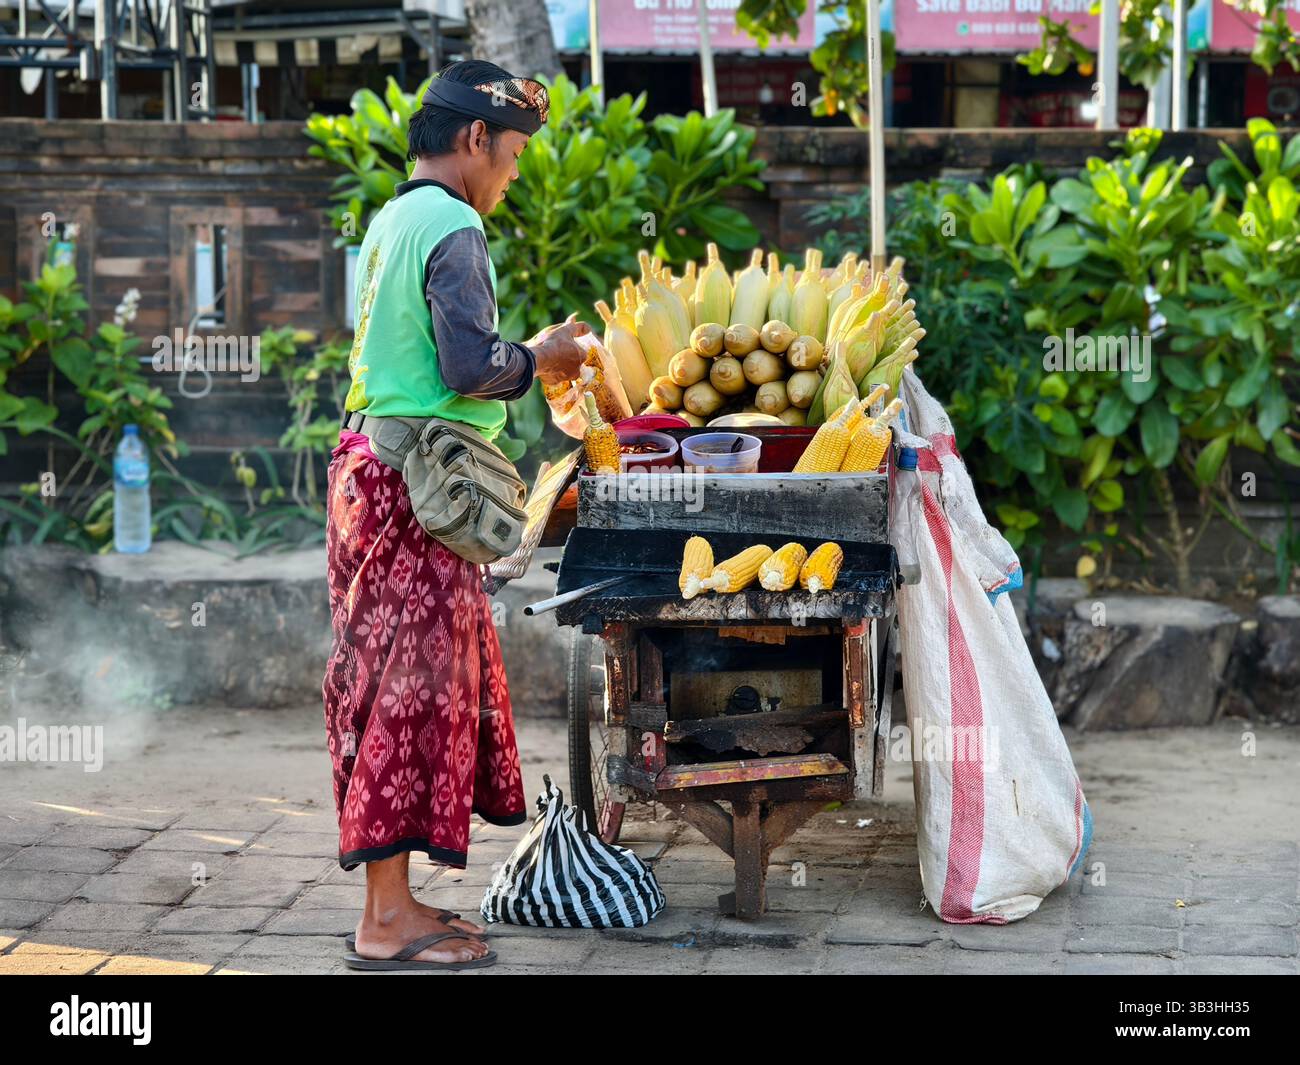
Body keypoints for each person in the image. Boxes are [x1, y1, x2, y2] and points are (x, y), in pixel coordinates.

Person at [322, 59, 589, 972]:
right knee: (409, 691)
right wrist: (545, 355)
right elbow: (471, 366)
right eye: (511, 154)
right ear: (475, 138)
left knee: (382, 684)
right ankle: (384, 921)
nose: (511, 175)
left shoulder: (393, 219)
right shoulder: (455, 224)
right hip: (412, 492)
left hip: (367, 474)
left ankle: (394, 899)